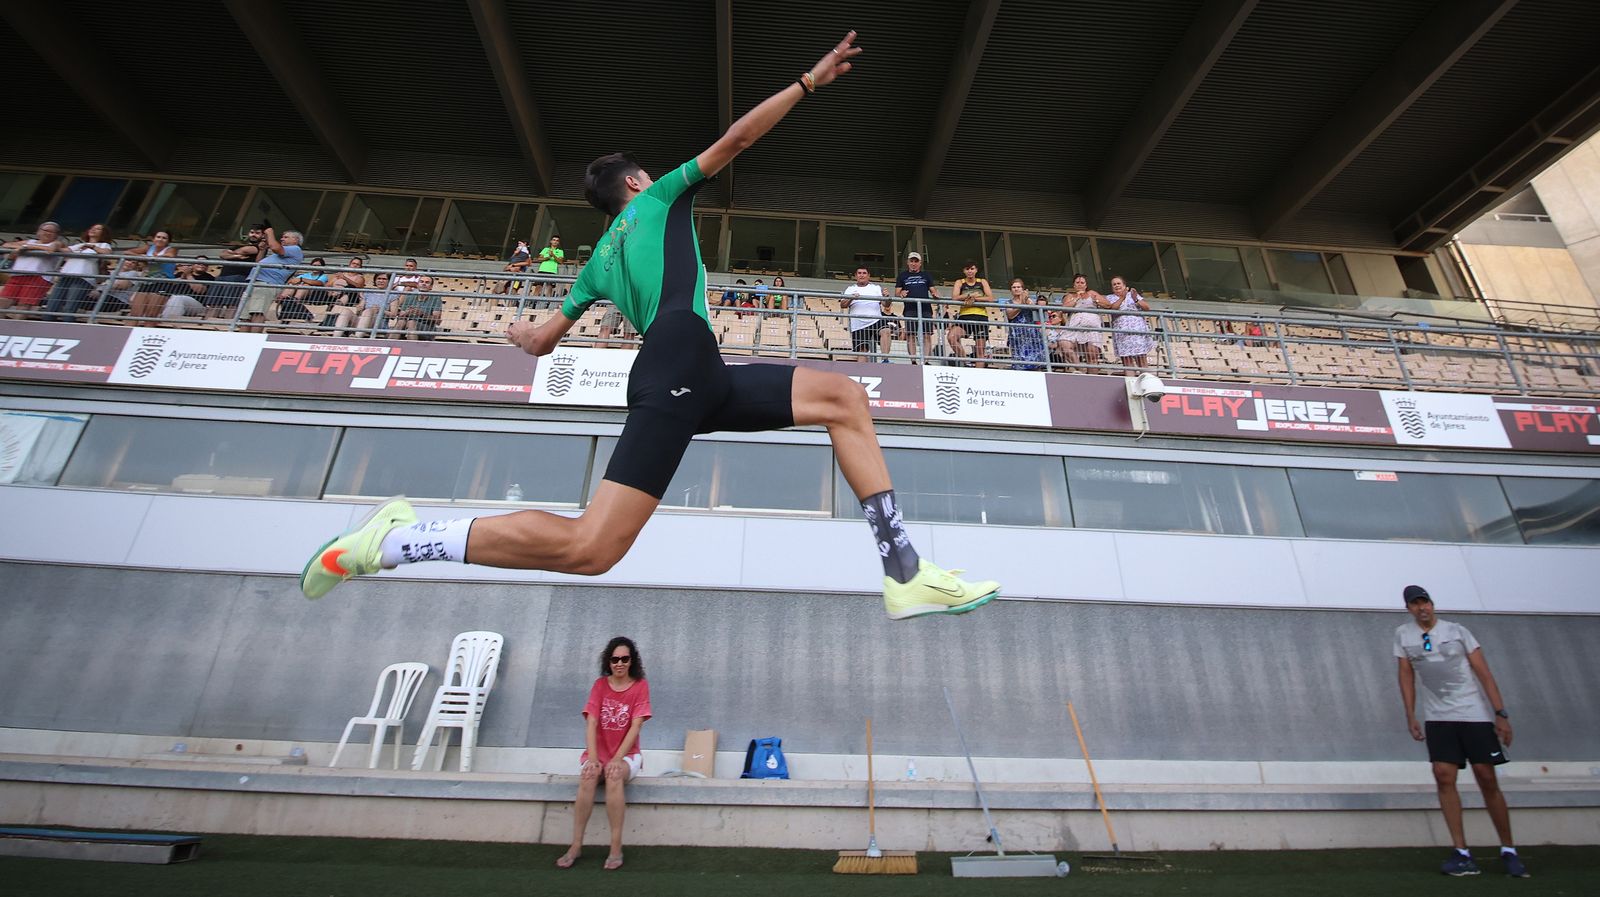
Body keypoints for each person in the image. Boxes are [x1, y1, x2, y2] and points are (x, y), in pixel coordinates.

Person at [299, 31, 998, 622]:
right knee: (590, 548)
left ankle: (904, 568)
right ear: (635, 182)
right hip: (679, 365)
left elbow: (542, 342)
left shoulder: (595, 265)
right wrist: (808, 83)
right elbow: (736, 139)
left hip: (698, 376)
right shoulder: (660, 198)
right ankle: (395, 541)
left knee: (844, 399)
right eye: (650, 174)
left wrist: (521, 332)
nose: (660, 177)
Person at [1395, 585, 1527, 878]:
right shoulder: (1403, 635)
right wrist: (1410, 715)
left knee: (1485, 776)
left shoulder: (1457, 631)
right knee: (1443, 775)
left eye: (1424, 602)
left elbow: (1484, 673)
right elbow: (1405, 675)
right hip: (1438, 717)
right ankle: (1462, 852)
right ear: (1408, 609)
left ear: (1432, 603)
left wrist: (1500, 713)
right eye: (1415, 604)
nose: (1421, 608)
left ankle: (1509, 850)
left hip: (1473, 715)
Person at [556, 637, 651, 871]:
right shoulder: (600, 685)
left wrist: (617, 759)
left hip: (628, 755)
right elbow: (591, 722)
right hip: (598, 753)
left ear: (632, 661)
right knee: (588, 775)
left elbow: (636, 726)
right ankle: (576, 845)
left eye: (624, 659)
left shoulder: (640, 686)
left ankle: (615, 847)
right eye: (615, 659)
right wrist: (592, 758)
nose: (619, 663)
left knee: (614, 775)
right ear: (608, 661)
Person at [43, 223, 112, 320]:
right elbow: (64, 250)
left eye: (98, 229)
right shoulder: (79, 244)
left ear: (103, 233)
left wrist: (91, 246)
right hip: (66, 275)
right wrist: (55, 244)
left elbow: (107, 252)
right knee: (52, 305)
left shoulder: (104, 245)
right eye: (92, 228)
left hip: (83, 278)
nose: (93, 230)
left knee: (69, 308)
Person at [241, 227, 305, 329]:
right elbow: (258, 262)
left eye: (286, 237)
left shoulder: (295, 249)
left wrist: (270, 233)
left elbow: (275, 248)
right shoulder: (282, 253)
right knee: (244, 317)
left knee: (257, 313)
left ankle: (253, 339)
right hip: (255, 282)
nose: (282, 239)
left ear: (295, 240)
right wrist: (262, 249)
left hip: (266, 283)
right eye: (282, 237)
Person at [0, 221, 66, 316]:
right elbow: (6, 245)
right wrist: (27, 246)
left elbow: (51, 249)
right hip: (17, 275)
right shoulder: (29, 241)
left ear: (56, 235)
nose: (48, 233)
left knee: (24, 306)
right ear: (39, 231)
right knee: (3, 301)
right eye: (45, 230)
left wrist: (27, 247)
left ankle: (18, 328)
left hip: (39, 278)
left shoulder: (57, 243)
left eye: (52, 232)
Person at [1098, 275, 1154, 370]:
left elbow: (1147, 308)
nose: (1116, 286)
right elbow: (1113, 308)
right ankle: (1130, 380)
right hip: (1122, 332)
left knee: (1141, 357)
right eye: (1114, 284)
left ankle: (1144, 379)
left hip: (1137, 330)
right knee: (1127, 360)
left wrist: (1136, 299)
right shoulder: (1110, 297)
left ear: (1124, 285)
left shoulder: (1132, 295)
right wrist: (1122, 298)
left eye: (1118, 283)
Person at [894, 251, 941, 363]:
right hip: (910, 309)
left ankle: (925, 361)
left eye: (916, 261)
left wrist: (935, 295)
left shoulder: (926, 275)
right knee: (910, 335)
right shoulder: (902, 276)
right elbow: (897, 293)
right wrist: (901, 294)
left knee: (926, 335)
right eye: (912, 261)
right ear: (908, 262)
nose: (914, 263)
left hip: (925, 309)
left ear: (920, 263)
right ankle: (913, 360)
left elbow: (934, 291)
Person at [211, 225, 265, 318]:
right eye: (252, 232)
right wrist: (237, 256)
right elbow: (222, 255)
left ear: (263, 235)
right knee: (213, 303)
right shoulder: (240, 245)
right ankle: (208, 324)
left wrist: (232, 254)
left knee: (232, 304)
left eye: (257, 233)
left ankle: (227, 326)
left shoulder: (259, 247)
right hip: (223, 275)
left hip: (239, 276)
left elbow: (245, 250)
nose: (254, 235)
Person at [946, 262, 992, 367]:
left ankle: (977, 375)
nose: (970, 271)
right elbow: (955, 297)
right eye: (967, 269)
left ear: (976, 270)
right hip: (964, 316)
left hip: (981, 317)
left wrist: (975, 299)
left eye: (972, 269)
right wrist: (970, 295)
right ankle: (966, 361)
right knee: (951, 337)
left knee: (980, 350)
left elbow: (990, 298)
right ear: (964, 271)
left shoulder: (982, 281)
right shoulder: (960, 282)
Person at [841, 265, 890, 361]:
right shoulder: (850, 289)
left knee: (886, 331)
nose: (862, 275)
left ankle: (885, 360)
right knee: (862, 350)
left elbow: (886, 304)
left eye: (864, 273)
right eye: (859, 273)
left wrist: (887, 297)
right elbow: (843, 305)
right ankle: (863, 373)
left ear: (868, 276)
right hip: (858, 324)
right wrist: (851, 297)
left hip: (875, 320)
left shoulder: (876, 288)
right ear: (855, 276)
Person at [1060, 273, 1106, 371]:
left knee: (1092, 355)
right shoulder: (1070, 295)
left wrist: (1096, 300)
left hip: (1091, 327)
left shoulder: (1092, 293)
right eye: (1077, 282)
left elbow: (1107, 305)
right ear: (1074, 285)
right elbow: (1064, 309)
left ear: (1086, 285)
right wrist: (1077, 298)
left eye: (1082, 282)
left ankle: (1092, 381)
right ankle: (1081, 369)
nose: (1080, 284)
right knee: (1064, 344)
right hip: (1074, 327)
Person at [1001, 279, 1047, 371]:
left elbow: (1036, 313)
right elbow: (1010, 315)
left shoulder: (1029, 300)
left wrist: (1027, 301)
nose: (1016, 289)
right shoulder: (1008, 302)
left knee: (1036, 360)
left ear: (1023, 289)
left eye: (1018, 287)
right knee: (1021, 360)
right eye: (1014, 287)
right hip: (1018, 334)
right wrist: (1022, 303)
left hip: (1031, 333)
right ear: (1010, 290)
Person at [275, 257, 329, 323]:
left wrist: (302, 280)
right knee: (292, 285)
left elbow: (318, 283)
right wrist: (296, 282)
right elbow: (291, 281)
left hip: (311, 294)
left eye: (318, 266)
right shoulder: (305, 275)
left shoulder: (323, 276)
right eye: (314, 265)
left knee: (305, 286)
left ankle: (296, 299)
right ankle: (284, 297)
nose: (316, 267)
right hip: (298, 289)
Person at [324, 258, 367, 333]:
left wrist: (345, 278)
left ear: (360, 267)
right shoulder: (339, 275)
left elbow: (358, 286)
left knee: (349, 287)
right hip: (334, 295)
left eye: (357, 264)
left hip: (351, 296)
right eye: (353, 263)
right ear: (350, 264)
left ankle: (339, 303)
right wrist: (330, 291)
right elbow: (327, 285)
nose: (355, 266)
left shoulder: (360, 277)